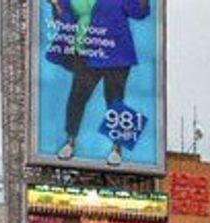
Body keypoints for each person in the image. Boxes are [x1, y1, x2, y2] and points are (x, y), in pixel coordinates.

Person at [47, 0, 152, 166]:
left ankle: (117, 148)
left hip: (117, 55)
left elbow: (139, 12)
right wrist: (56, 5)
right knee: (77, 97)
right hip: (86, 53)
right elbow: (63, 19)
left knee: (115, 101)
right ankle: (70, 141)